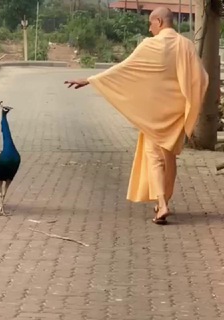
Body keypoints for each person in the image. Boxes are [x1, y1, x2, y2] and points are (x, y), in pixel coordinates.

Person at [64, 7, 209, 225]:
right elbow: (202, 78)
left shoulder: (150, 45)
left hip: (153, 115)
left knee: (154, 157)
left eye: (151, 24)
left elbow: (123, 69)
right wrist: (188, 105)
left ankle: (162, 203)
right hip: (176, 113)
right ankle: (163, 202)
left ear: (159, 21)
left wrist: (90, 79)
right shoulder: (186, 45)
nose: (150, 29)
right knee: (169, 158)